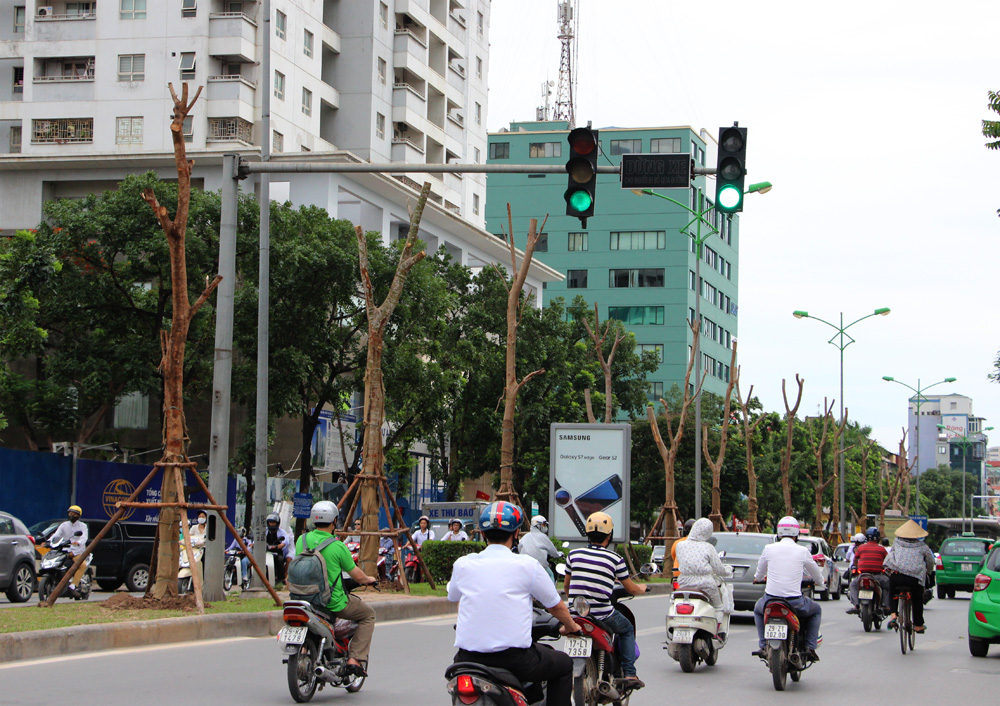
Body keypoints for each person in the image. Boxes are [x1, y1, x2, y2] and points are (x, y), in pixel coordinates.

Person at [448, 501, 580, 706]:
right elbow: (555, 606)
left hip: (466, 659)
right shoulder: (527, 565)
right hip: (514, 660)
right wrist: (571, 626)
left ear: (483, 533)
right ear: (517, 533)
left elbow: (456, 598)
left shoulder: (463, 564)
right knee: (563, 664)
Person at [565, 512, 648, 689]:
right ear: (609, 535)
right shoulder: (615, 559)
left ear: (587, 534)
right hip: (602, 615)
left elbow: (567, 586)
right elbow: (631, 588)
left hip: (575, 613)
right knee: (626, 629)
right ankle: (630, 674)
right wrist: (641, 588)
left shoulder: (573, 555)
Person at [296, 500, 377, 676]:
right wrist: (369, 579)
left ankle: (304, 651)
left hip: (302, 599)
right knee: (368, 614)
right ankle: (354, 659)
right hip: (331, 602)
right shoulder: (337, 546)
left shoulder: (301, 541)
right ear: (334, 521)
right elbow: (357, 575)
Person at [752, 516, 824, 662]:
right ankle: (810, 647)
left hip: (770, 600)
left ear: (779, 532)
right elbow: (815, 573)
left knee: (757, 609)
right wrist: (820, 581)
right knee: (816, 610)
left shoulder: (769, 548)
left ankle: (762, 645)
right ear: (796, 533)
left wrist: (758, 579)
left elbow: (759, 573)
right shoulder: (802, 551)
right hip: (795, 602)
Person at [675, 518, 734, 620]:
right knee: (718, 607)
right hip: (706, 584)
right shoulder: (708, 547)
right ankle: (717, 631)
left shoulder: (680, 545)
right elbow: (719, 569)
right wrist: (728, 571)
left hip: (684, 583)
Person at [884, 519, 936, 634]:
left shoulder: (896, 543)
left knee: (892, 592)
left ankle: (893, 615)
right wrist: (928, 571)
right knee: (917, 598)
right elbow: (930, 561)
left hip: (897, 577)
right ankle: (918, 625)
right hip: (914, 579)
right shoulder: (922, 546)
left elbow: (889, 558)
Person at [846, 527, 890, 615]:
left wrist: (858, 567)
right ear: (877, 538)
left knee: (853, 585)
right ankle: (886, 605)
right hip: (878, 576)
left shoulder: (861, 548)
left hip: (863, 575)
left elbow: (855, 560)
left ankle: (856, 605)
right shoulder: (881, 549)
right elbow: (888, 562)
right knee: (888, 586)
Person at [47, 505, 88, 593]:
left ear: (78, 516)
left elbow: (84, 537)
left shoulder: (83, 526)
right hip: (64, 551)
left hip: (76, 552)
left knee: (82, 565)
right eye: (70, 513)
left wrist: (78, 542)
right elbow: (56, 535)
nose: (71, 515)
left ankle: (74, 584)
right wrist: (49, 541)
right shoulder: (64, 525)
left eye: (74, 514)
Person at [519, 515, 561, 581]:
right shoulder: (543, 537)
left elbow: (519, 548)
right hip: (540, 566)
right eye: (544, 525)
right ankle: (552, 591)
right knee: (551, 575)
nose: (545, 527)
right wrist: (559, 554)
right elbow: (553, 551)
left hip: (525, 566)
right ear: (538, 525)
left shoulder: (525, 537)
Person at [265, 512, 292, 585]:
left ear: (277, 523)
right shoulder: (265, 531)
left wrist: (281, 544)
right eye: (270, 522)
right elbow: (258, 539)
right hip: (266, 551)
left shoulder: (281, 531)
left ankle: (280, 578)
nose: (272, 524)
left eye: (273, 523)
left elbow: (286, 539)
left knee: (280, 560)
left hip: (277, 552)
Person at [671, 518, 697, 586]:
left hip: (677, 574)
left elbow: (673, 556)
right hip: (694, 576)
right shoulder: (701, 544)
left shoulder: (677, 543)